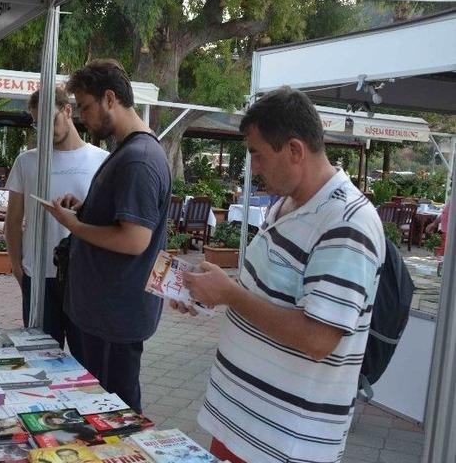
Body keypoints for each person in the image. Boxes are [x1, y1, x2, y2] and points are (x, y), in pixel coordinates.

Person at [170, 88, 386, 463]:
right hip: (242, 423)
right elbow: (268, 296)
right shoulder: (286, 204)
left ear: (295, 151)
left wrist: (231, 295)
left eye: (256, 154)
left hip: (284, 443)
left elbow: (319, 338)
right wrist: (211, 293)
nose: (252, 167)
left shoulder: (349, 223)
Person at [44, 59, 171, 414]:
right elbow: (122, 218)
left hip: (114, 317)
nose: (82, 117)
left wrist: (72, 224)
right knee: (101, 412)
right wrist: (85, 209)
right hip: (105, 314)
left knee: (117, 415)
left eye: (85, 106)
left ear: (110, 98)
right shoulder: (128, 153)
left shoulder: (139, 159)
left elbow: (134, 240)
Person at [6, 87, 109, 347]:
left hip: (83, 278)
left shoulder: (102, 161)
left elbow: (108, 223)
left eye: (50, 120)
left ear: (68, 111)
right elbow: (13, 220)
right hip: (37, 276)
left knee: (84, 362)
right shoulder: (26, 161)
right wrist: (18, 268)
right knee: (40, 357)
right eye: (37, 124)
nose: (45, 130)